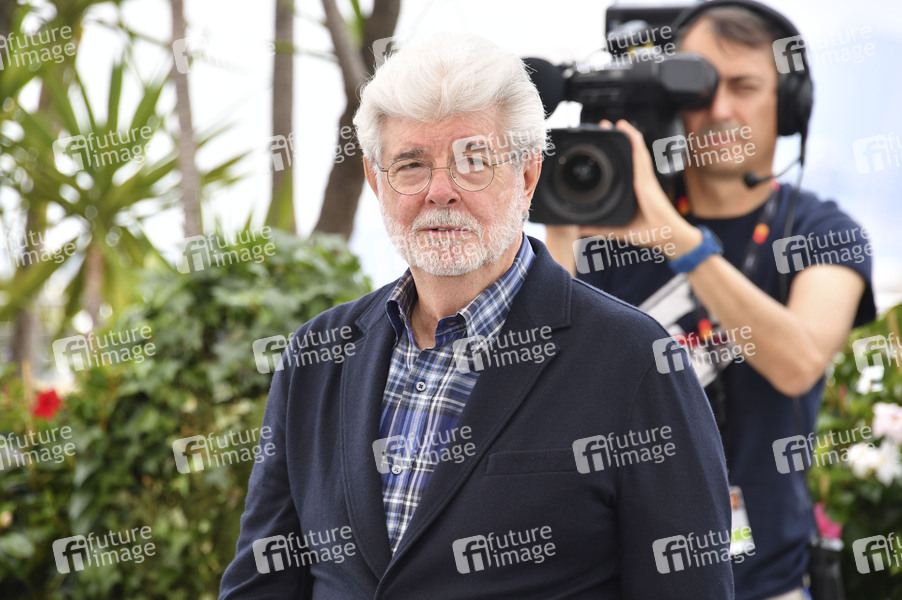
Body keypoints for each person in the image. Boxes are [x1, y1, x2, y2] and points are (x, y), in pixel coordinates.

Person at [220, 32, 734, 599]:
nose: (440, 191)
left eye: (473, 161)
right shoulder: (317, 356)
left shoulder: (635, 361)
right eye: (411, 164)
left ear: (528, 175)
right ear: (375, 180)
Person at [545, 2, 877, 599]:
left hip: (766, 585)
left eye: (745, 86)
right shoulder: (606, 224)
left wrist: (678, 239)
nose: (720, 109)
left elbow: (799, 362)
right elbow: (547, 375)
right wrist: (564, 229)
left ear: (789, 103)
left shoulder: (821, 232)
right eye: (699, 87)